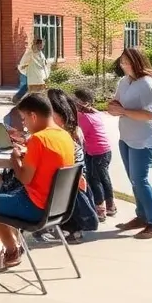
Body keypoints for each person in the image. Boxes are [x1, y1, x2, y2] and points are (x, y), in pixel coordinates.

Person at [0, 93, 74, 269]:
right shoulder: (64, 135)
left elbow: (24, 178)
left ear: (33, 116)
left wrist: (15, 158)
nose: (24, 124)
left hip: (35, 206)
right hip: (56, 206)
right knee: (0, 196)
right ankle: (9, 247)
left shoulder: (38, 139)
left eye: (23, 119)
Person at [108, 47, 152, 240]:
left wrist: (122, 111)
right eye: (121, 61)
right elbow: (116, 104)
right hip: (126, 138)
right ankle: (141, 217)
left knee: (141, 180)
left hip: (144, 140)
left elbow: (149, 114)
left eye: (126, 61)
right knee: (134, 181)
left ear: (136, 62)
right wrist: (113, 107)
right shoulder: (124, 82)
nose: (123, 65)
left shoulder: (148, 84)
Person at [46, 88, 99, 242]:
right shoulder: (73, 129)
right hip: (75, 180)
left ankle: (68, 229)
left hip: (68, 184)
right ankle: (71, 229)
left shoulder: (62, 135)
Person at [74, 87, 116, 218]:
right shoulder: (94, 113)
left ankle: (101, 208)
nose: (74, 103)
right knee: (102, 178)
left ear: (85, 103)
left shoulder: (85, 118)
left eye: (77, 100)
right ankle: (109, 205)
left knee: (95, 179)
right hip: (97, 152)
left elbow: (78, 136)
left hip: (99, 153)